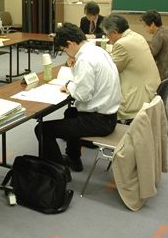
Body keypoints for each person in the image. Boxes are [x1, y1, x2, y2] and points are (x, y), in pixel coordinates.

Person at [34, 23, 120, 178]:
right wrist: (74, 70)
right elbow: (85, 82)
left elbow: (82, 95)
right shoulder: (97, 51)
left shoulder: (85, 59)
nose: (66, 54)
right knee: (70, 113)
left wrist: (68, 85)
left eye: (65, 50)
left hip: (98, 121)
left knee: (42, 130)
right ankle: (74, 159)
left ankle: (59, 172)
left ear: (70, 44)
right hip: (110, 116)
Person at [100, 13, 160, 122]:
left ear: (115, 33)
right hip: (151, 89)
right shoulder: (137, 36)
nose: (108, 39)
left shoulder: (122, 44)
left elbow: (110, 70)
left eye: (107, 35)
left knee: (99, 102)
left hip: (137, 97)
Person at [140, 10, 168, 80]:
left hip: (163, 74)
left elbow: (149, 54)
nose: (145, 28)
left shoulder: (158, 36)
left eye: (145, 25)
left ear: (152, 24)